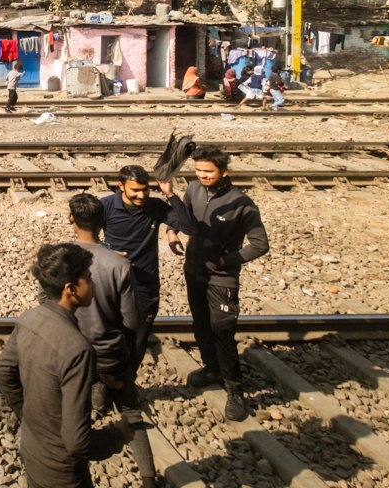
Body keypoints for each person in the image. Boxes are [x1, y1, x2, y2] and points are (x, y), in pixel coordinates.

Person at [0, 243, 133, 488]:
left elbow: (3, 370)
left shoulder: (29, 318)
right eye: (88, 279)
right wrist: (118, 435)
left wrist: (26, 414)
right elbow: (77, 442)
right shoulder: (78, 350)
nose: (93, 284)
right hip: (62, 475)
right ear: (71, 289)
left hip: (32, 452)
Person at [165, 146, 270, 422]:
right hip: (194, 270)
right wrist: (171, 231)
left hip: (222, 279)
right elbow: (182, 217)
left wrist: (228, 261)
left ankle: (235, 390)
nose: (202, 176)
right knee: (200, 324)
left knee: (222, 332)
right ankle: (212, 369)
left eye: (208, 171)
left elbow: (260, 244)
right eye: (198, 170)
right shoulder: (194, 190)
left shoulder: (242, 204)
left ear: (223, 172)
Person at [67, 194, 157, 488]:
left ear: (71, 219)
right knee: (131, 411)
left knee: (71, 416)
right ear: (104, 222)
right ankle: (148, 477)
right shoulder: (119, 265)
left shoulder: (61, 260)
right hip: (110, 355)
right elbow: (132, 320)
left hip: (72, 356)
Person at [101, 165, 195, 373]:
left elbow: (189, 227)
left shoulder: (156, 207)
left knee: (137, 340)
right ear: (121, 186)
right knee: (109, 336)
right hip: (112, 283)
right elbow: (87, 238)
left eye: (145, 189)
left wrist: (170, 195)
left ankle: (127, 386)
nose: (141, 195)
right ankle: (106, 385)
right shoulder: (106, 206)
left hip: (144, 285)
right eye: (135, 190)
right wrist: (106, 252)